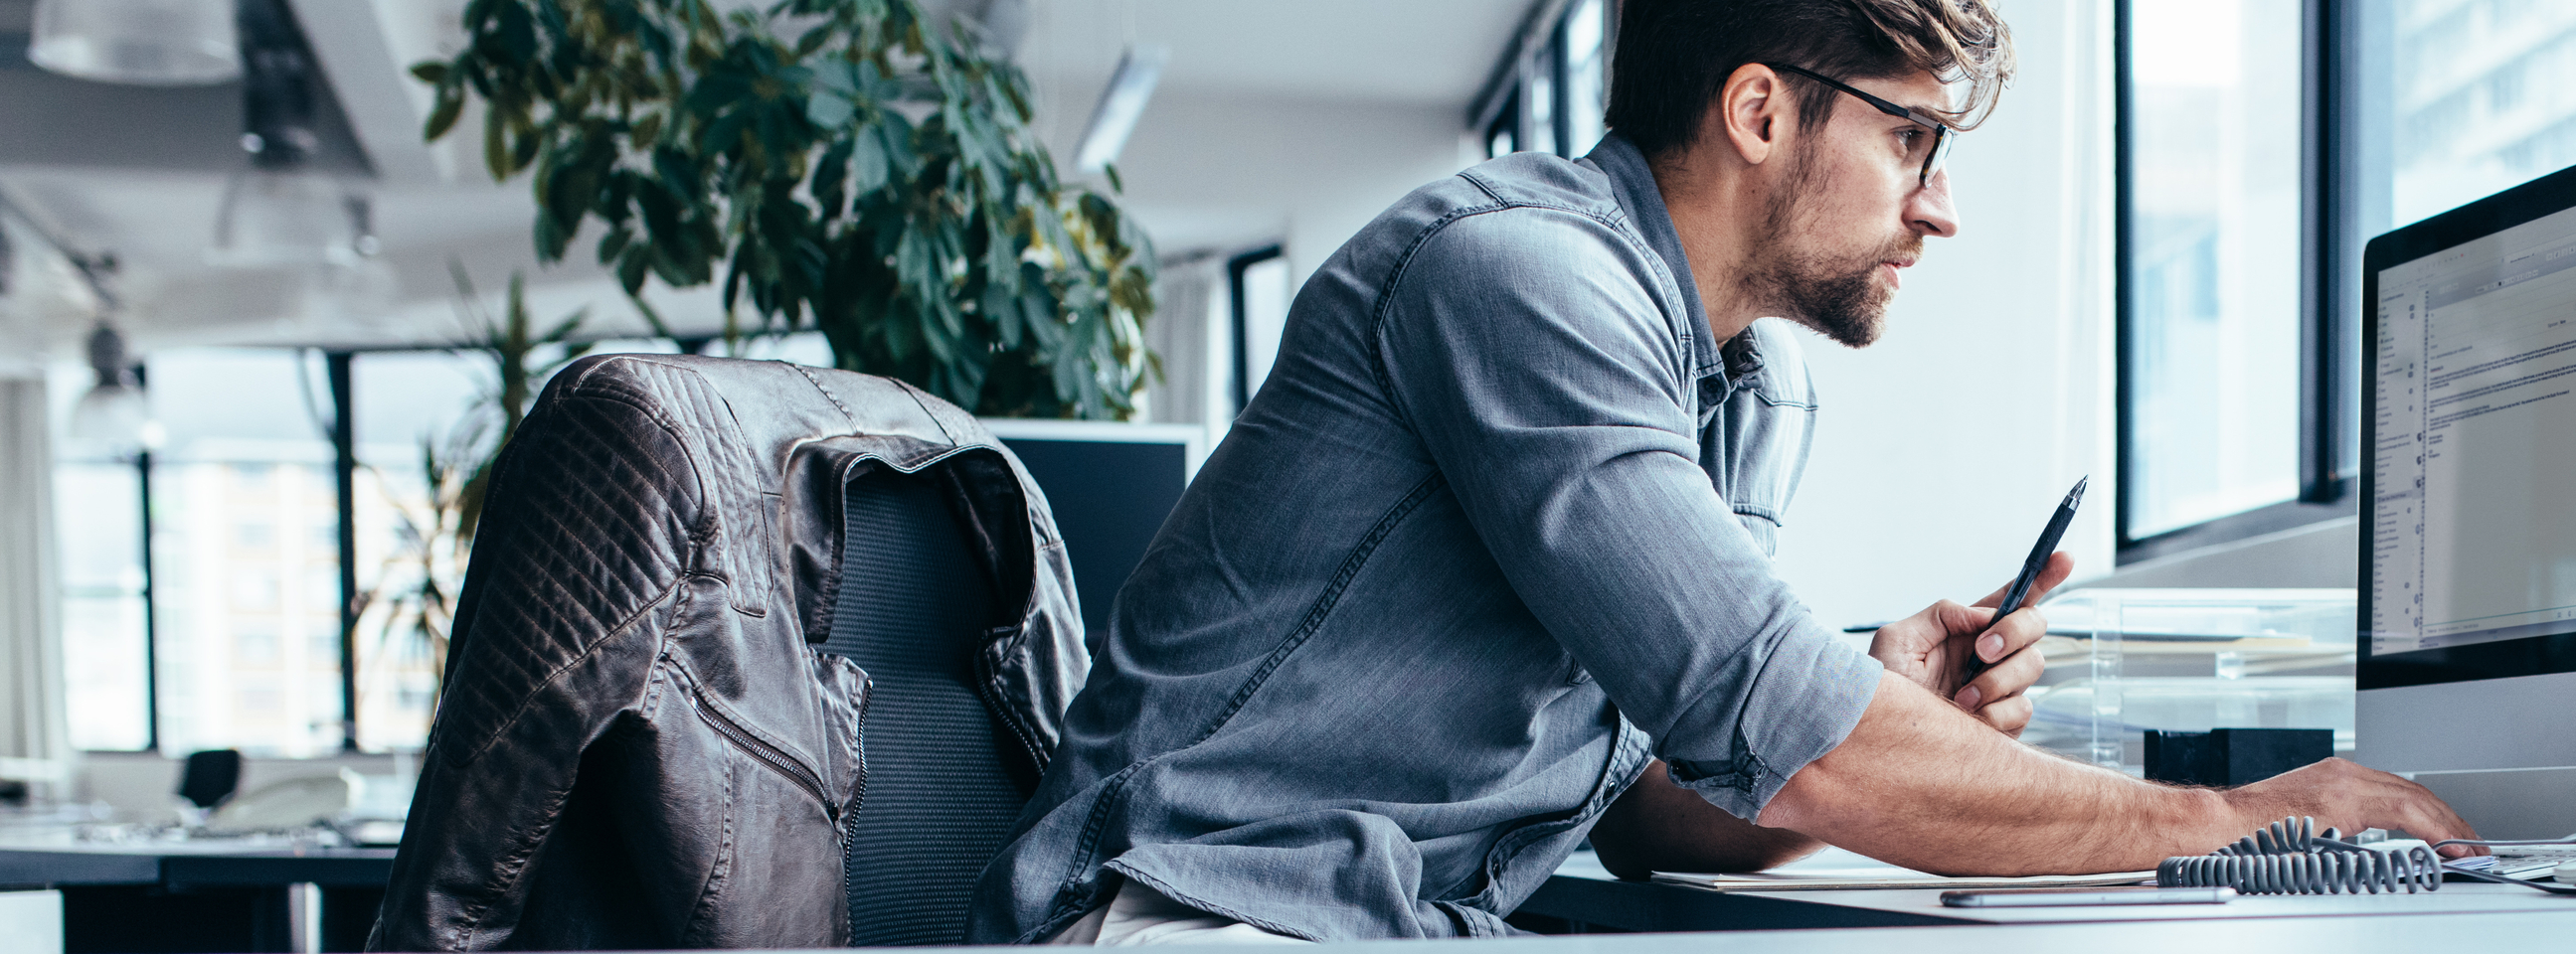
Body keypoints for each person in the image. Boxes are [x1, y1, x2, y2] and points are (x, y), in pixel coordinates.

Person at [966, 0, 2476, 943]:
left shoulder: (1750, 382)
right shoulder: (1517, 280)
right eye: (1913, 140)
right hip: (1194, 917)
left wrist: (1879, 695)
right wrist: (2239, 823)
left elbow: (1638, 805)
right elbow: (1791, 730)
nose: (1939, 207)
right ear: (1761, 111)